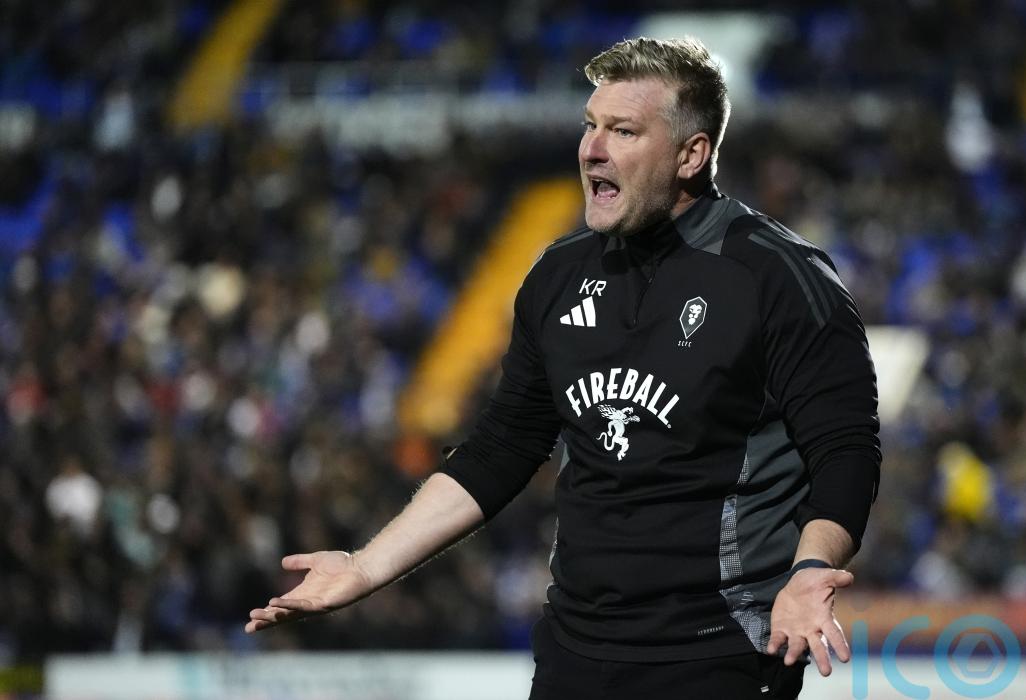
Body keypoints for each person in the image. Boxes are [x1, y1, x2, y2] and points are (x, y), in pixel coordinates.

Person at [246, 36, 881, 700]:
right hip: (576, 651)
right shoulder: (558, 275)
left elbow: (845, 449)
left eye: (623, 131)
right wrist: (365, 566)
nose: (591, 149)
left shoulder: (778, 277)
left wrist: (811, 570)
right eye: (590, 125)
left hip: (719, 652)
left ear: (691, 155)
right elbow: (500, 449)